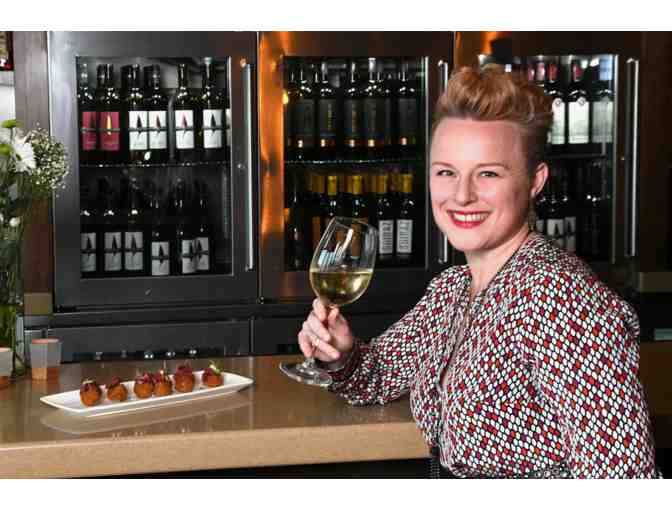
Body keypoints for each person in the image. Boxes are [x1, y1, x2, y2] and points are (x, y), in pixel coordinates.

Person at [297, 64, 659, 478]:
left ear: (535, 181)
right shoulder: (453, 290)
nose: (462, 195)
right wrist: (340, 355)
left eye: (488, 173)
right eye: (446, 172)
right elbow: (377, 377)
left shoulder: (559, 298)